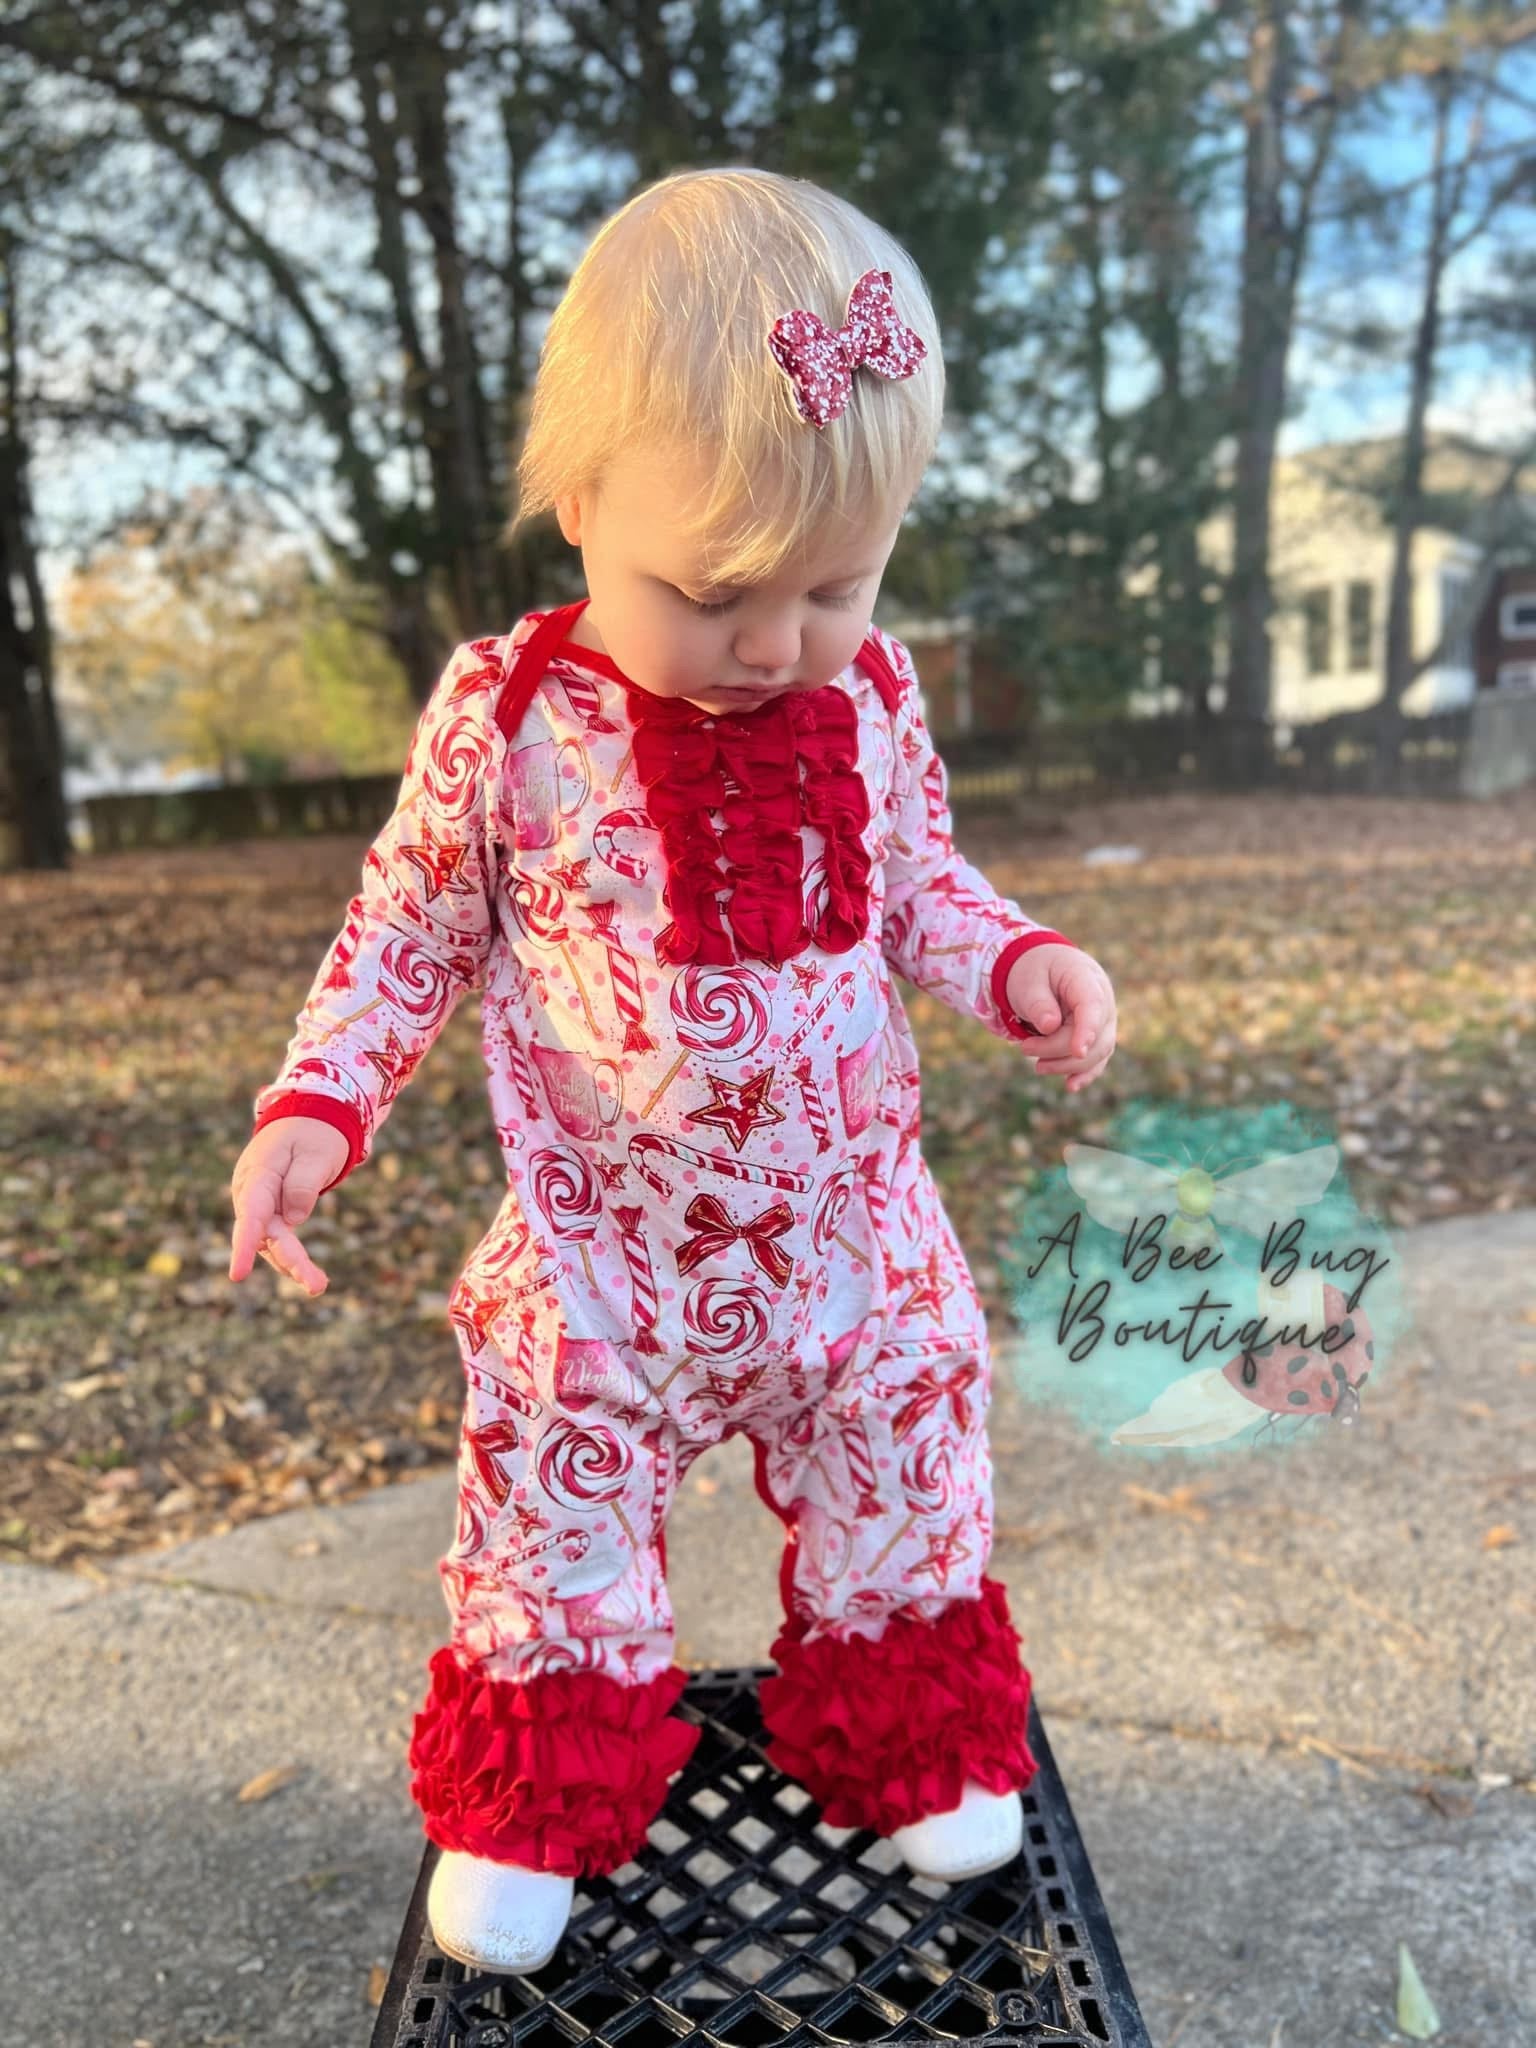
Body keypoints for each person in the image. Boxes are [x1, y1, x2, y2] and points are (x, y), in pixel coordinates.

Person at [228, 166, 1118, 1975]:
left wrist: (1015, 957)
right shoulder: (508, 716)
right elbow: (410, 929)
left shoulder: (869, 704)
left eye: (838, 582)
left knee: (912, 1468)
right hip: (604, 1259)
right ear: (577, 503)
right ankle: (539, 1794)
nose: (780, 641)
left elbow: (919, 883)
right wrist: (319, 1106)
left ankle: (910, 1730)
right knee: (549, 1513)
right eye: (717, 589)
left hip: (847, 1238)